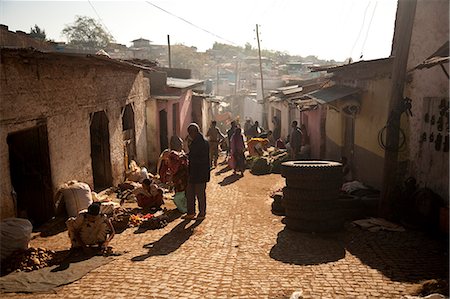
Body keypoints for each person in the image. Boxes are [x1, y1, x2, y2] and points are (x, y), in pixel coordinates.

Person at [183, 123, 210, 220]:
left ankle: (202, 213)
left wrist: (188, 156)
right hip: (195, 172)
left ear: (194, 132)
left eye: (190, 133)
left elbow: (198, 157)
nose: (189, 135)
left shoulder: (201, 142)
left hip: (199, 172)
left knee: (200, 194)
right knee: (190, 193)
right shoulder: (198, 141)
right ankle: (191, 212)